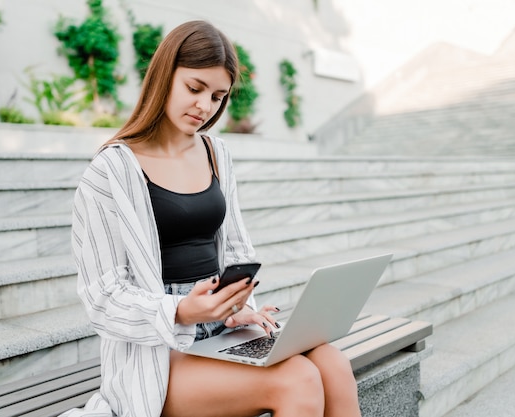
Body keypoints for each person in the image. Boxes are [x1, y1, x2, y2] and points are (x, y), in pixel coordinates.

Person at [61, 20, 361, 417]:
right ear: (164, 77)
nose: (206, 106)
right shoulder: (110, 171)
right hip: (160, 356)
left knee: (332, 364)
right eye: (195, 88)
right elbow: (103, 297)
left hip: (221, 333)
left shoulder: (216, 152)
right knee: (298, 379)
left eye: (219, 96)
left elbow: (236, 248)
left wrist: (236, 306)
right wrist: (184, 311)